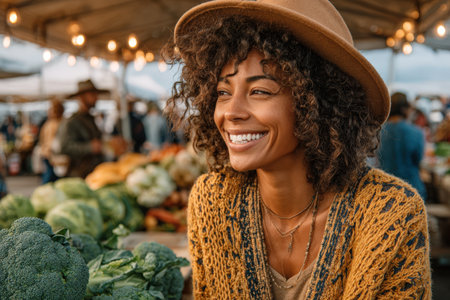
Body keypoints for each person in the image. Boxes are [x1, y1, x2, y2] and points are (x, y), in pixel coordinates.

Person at [164, 0, 431, 298]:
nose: (231, 112)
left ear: (318, 102)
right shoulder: (212, 201)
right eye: (223, 92)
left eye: (260, 91)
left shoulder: (391, 213)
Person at [377, 92, 427, 200]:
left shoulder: (378, 133)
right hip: (412, 189)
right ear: (405, 109)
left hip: (385, 190)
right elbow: (418, 160)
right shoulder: (416, 133)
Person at [56, 79, 106, 178]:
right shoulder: (71, 121)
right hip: (78, 175)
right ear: (81, 97)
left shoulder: (91, 119)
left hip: (94, 172)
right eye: (92, 94)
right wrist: (90, 147)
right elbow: (64, 147)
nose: (96, 98)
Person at [38, 100, 65, 183]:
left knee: (51, 176)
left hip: (51, 154)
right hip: (50, 154)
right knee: (51, 176)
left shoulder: (52, 123)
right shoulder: (54, 123)